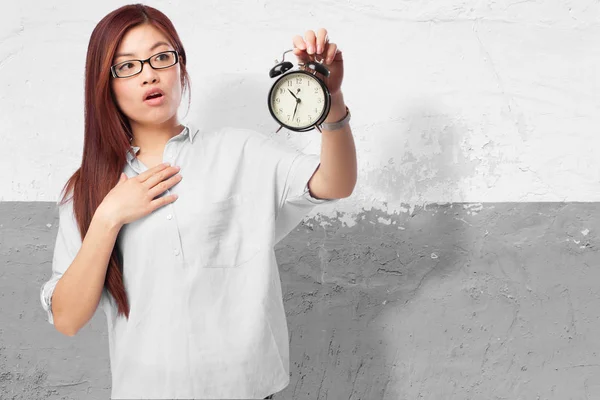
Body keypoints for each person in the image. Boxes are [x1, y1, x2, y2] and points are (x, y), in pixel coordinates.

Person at [39, 3, 356, 399]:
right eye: (127, 66)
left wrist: (332, 100)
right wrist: (109, 217)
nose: (149, 74)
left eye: (160, 56)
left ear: (180, 66)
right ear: (105, 82)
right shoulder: (87, 190)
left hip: (246, 390)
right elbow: (67, 319)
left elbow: (335, 183)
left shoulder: (239, 151)